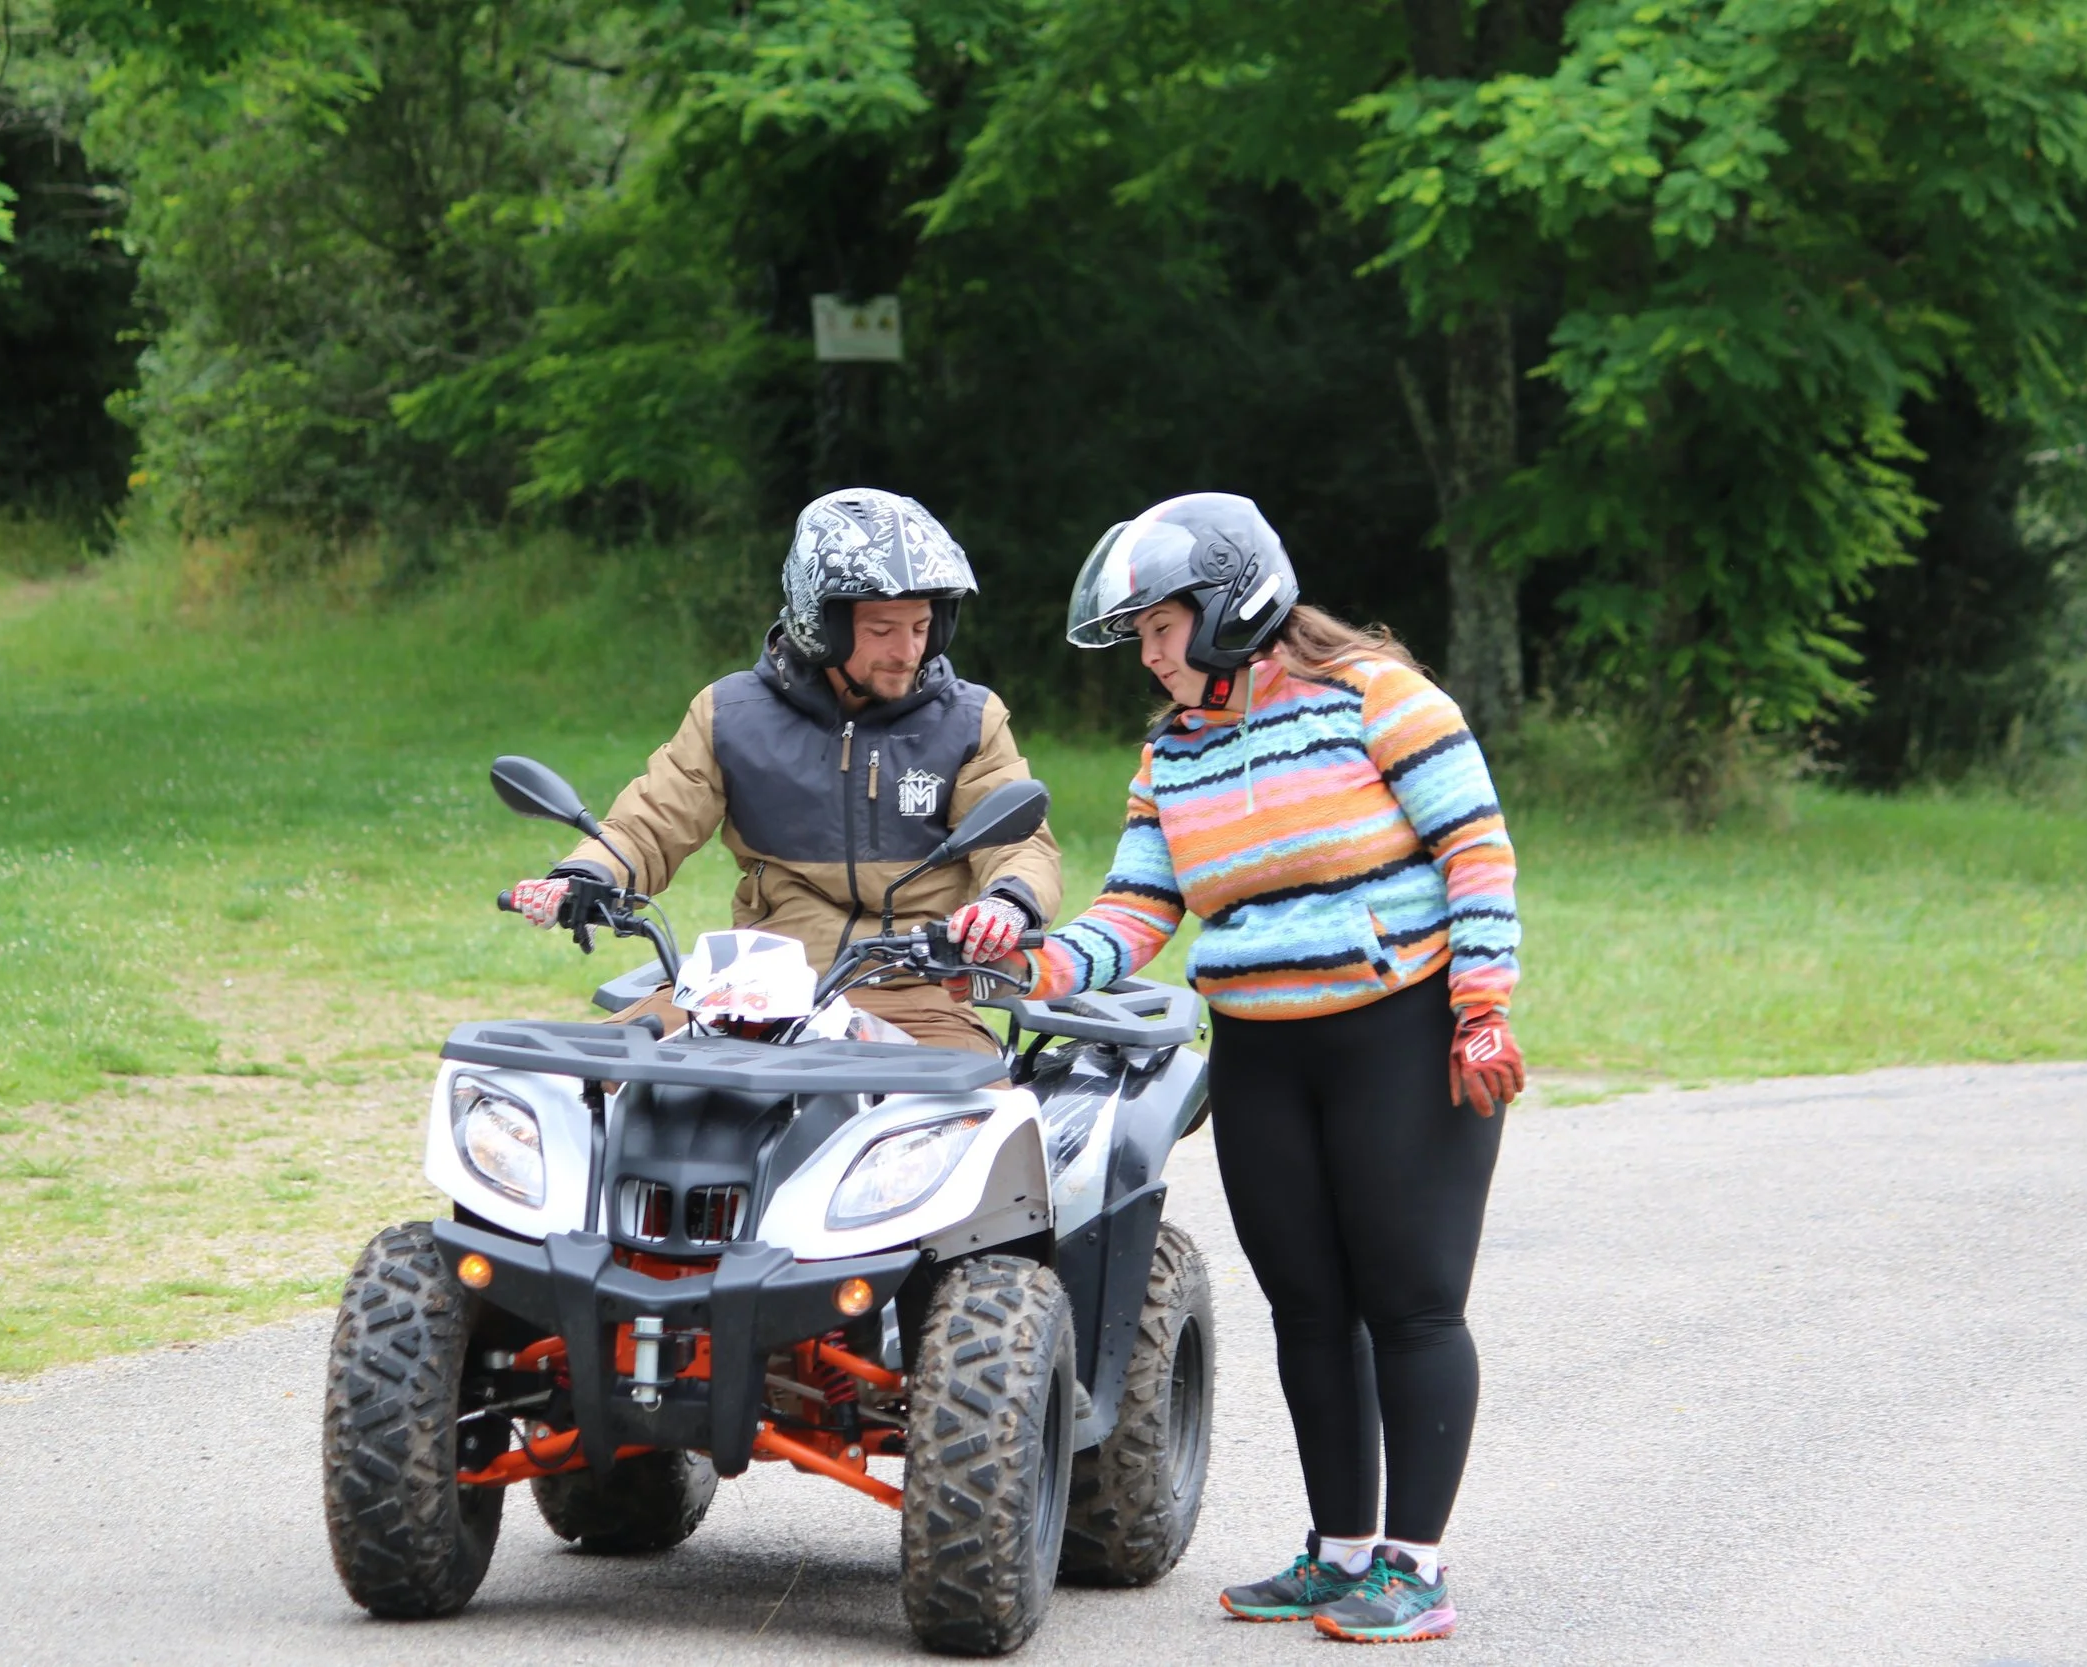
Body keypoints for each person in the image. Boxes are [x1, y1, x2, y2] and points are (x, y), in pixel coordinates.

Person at [954, 492, 1525, 1641]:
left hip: (1399, 1034)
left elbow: (1474, 845)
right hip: (1260, 1047)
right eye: (1140, 636)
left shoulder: (1377, 697)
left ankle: (1414, 1568)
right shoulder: (1174, 749)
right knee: (1307, 1305)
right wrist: (1036, 964)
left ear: (1230, 606)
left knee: (1409, 1301)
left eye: (1161, 628)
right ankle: (1340, 1550)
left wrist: (1480, 1009)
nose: (1149, 655)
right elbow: (1137, 903)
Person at [506, 487, 1060, 1053]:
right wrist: (584, 876)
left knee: (974, 1096)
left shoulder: (969, 721)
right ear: (822, 623)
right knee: (584, 1074)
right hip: (753, 988)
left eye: (921, 627)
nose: (908, 651)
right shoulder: (732, 715)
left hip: (913, 993)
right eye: (882, 630)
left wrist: (1007, 903)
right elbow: (646, 828)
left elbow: (1020, 846)